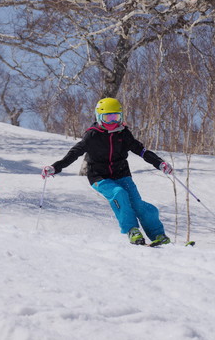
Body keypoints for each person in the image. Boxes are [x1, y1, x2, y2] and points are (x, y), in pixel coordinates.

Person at [41, 97, 174, 246]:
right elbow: (74, 153)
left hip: (122, 174)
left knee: (138, 205)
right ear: (99, 117)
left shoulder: (123, 134)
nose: (112, 122)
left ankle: (159, 235)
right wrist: (55, 167)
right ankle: (132, 230)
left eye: (116, 117)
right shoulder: (92, 135)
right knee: (119, 194)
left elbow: (141, 151)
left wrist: (160, 163)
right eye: (108, 118)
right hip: (99, 177)